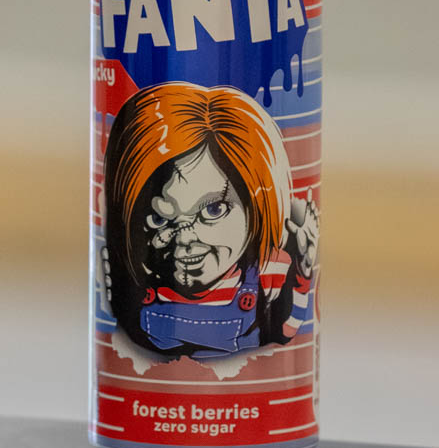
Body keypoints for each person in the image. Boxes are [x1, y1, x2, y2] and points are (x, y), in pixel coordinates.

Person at [101, 82, 319, 358]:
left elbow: (285, 329)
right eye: (158, 218)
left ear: (256, 206)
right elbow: (123, 328)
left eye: (213, 210)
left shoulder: (271, 270)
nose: (185, 238)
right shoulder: (134, 280)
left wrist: (303, 270)